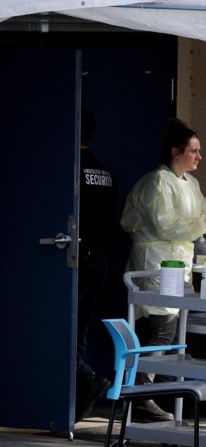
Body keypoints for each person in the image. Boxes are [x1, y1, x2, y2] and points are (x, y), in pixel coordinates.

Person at [120, 118, 206, 422]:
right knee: (162, 330)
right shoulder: (158, 182)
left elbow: (203, 215)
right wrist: (203, 222)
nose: (200, 157)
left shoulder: (190, 184)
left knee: (169, 332)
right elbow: (166, 225)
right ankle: (140, 395)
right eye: (193, 151)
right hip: (156, 262)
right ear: (175, 151)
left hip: (177, 265)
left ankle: (152, 394)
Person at [75, 108, 114, 422]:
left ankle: (87, 379)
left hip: (76, 259)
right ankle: (80, 395)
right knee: (80, 330)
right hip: (99, 259)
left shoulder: (70, 169)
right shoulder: (104, 172)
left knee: (64, 330)